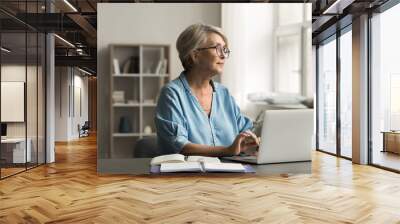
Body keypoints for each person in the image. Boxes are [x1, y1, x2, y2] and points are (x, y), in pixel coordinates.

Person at [155, 23, 259, 157]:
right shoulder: (172, 94)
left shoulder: (224, 94)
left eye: (225, 50)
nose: (223, 56)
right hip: (186, 175)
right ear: (194, 55)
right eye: (218, 48)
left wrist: (253, 140)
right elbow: (180, 146)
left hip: (230, 174)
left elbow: (245, 130)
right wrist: (227, 151)